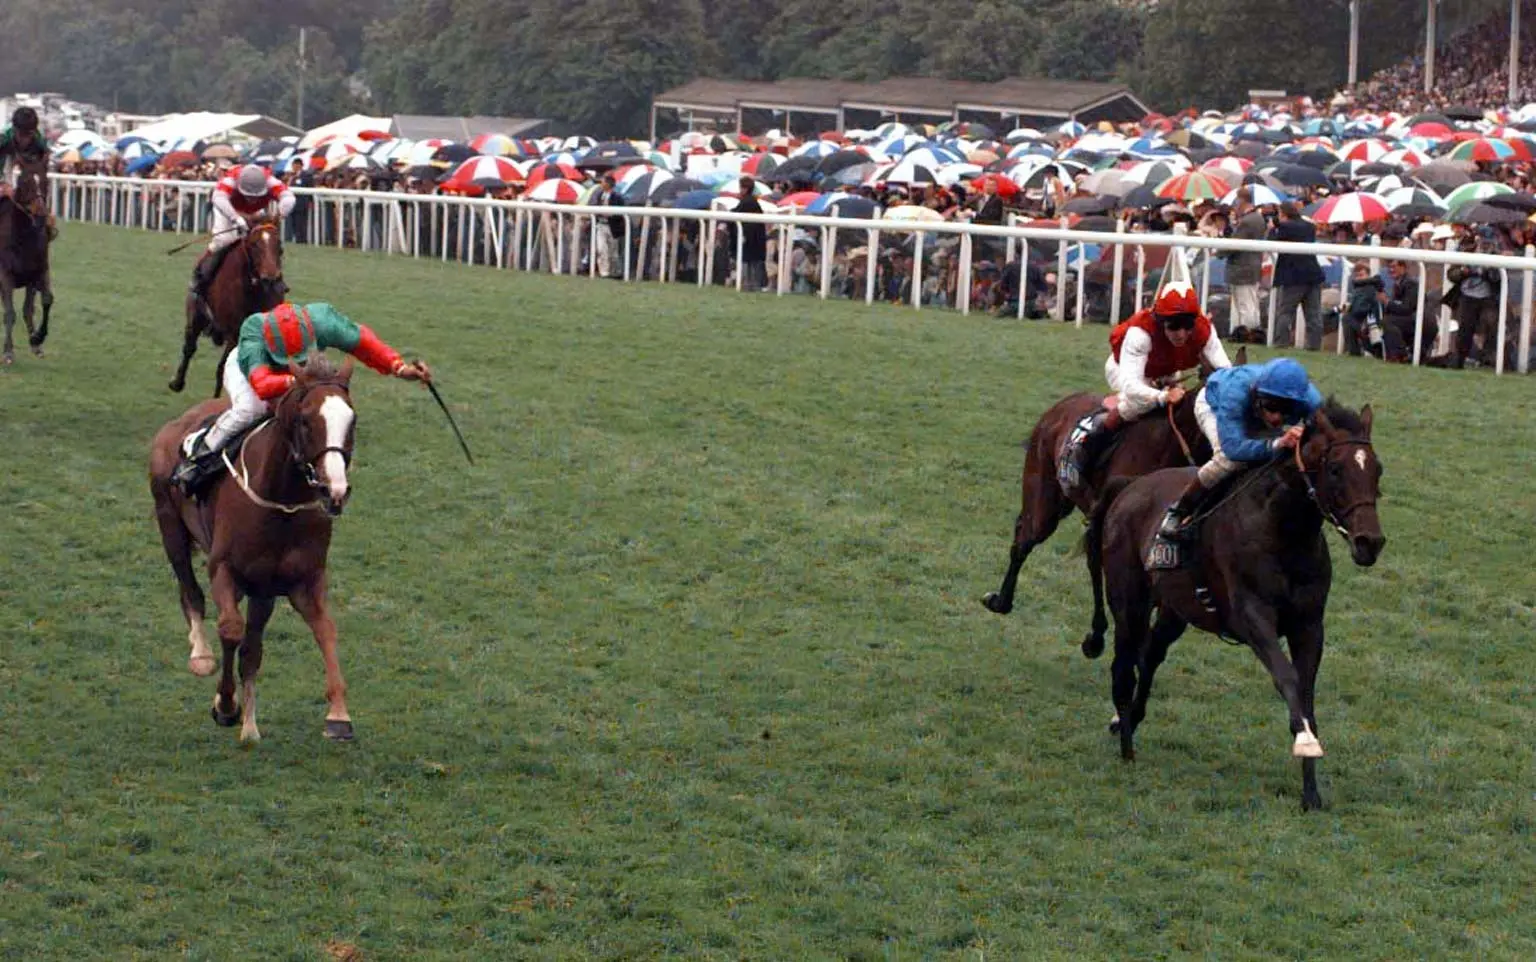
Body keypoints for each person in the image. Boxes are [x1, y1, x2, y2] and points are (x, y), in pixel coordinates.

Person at [171, 302, 431, 494]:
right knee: (252, 409)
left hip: (301, 373)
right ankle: (199, 456)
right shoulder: (254, 335)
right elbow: (262, 385)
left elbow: (362, 342)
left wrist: (399, 367)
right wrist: (295, 381)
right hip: (249, 370)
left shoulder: (323, 321)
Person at [1057, 258, 1232, 497]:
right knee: (1137, 405)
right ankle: (1080, 449)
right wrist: (1163, 397)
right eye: (1174, 325)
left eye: (1187, 325)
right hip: (1124, 369)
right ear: (1161, 321)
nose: (1181, 333)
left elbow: (1226, 372)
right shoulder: (1140, 332)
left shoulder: (1204, 330)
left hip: (1165, 372)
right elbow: (1131, 386)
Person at [1147, 357, 1324, 561]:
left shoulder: (1310, 400)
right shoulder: (1235, 394)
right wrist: (1277, 443)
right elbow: (1233, 449)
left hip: (1251, 408)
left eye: (1286, 409)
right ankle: (1178, 511)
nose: (1276, 417)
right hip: (1213, 404)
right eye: (1271, 406)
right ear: (1257, 394)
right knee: (1228, 461)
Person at [190, 164, 297, 310]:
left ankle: (275, 279)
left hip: (256, 213)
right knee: (223, 240)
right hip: (229, 210)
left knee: (268, 243)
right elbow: (218, 198)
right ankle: (200, 277)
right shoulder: (229, 181)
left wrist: (280, 214)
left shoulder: (271, 182)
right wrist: (236, 218)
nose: (252, 199)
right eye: (248, 195)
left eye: (256, 196)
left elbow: (289, 198)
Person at [0, 107, 57, 239]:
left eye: (29, 135)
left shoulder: (38, 140)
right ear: (14, 130)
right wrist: (2, 185)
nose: (25, 140)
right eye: (22, 135)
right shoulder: (3, 138)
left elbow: (42, 165)